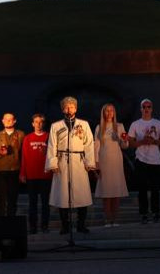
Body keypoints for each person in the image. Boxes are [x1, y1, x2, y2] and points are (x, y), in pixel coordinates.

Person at [47, 95, 96, 234]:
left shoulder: (83, 124)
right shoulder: (56, 126)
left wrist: (89, 162)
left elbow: (89, 144)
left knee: (82, 194)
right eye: (67, 107)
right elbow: (52, 145)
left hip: (79, 161)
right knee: (63, 194)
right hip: (62, 160)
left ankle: (81, 225)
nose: (70, 109)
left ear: (76, 109)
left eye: (72, 107)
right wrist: (53, 163)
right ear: (63, 109)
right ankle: (65, 226)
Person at [127, 98, 160, 223]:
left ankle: (156, 213)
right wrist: (142, 142)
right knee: (142, 189)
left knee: (155, 189)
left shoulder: (158, 123)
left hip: (155, 160)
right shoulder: (135, 124)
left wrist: (154, 141)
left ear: (152, 109)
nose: (146, 109)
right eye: (144, 107)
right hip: (141, 159)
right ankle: (143, 214)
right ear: (141, 109)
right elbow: (130, 143)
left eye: (148, 107)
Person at [94, 102, 130, 226]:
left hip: (116, 161)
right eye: (107, 110)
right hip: (104, 161)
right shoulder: (99, 127)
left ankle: (114, 219)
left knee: (116, 191)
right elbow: (96, 147)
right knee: (106, 192)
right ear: (103, 113)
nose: (109, 113)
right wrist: (96, 163)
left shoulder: (119, 126)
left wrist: (122, 139)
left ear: (114, 113)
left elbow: (125, 146)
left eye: (111, 110)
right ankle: (107, 219)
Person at [20, 113, 51, 234]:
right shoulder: (27, 138)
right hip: (31, 176)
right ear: (32, 124)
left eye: (41, 122)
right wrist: (22, 173)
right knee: (32, 203)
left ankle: (44, 226)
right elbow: (24, 157)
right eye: (36, 122)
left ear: (43, 123)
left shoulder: (49, 137)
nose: (38, 124)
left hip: (45, 175)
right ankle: (33, 226)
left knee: (45, 203)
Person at [0, 113, 24, 218]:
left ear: (14, 121)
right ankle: (0, 223)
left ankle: (11, 222)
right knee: (0, 199)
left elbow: (24, 153)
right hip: (1, 171)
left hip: (15, 170)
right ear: (2, 121)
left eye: (10, 119)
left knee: (12, 199)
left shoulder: (21, 135)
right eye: (6, 119)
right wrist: (0, 153)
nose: (8, 121)